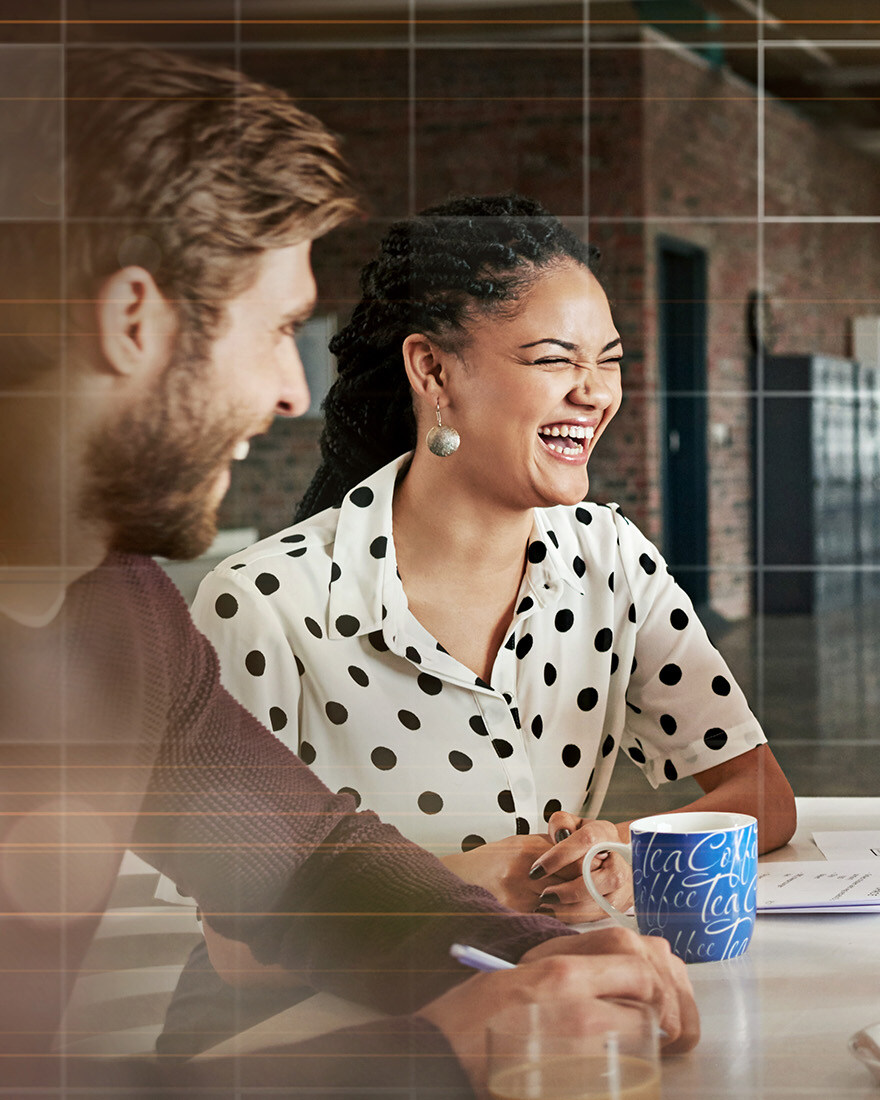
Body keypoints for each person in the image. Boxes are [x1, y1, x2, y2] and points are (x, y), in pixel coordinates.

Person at [0, 48, 696, 1096]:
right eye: (280, 330)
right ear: (132, 319)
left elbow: (299, 862)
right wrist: (438, 1051)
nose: (292, 392)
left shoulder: (116, 599)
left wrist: (532, 953)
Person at [157, 192, 798, 1054]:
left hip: (536, 1010)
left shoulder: (611, 556)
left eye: (608, 360)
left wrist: (623, 847)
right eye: (552, 359)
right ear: (433, 371)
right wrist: (466, 886)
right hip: (308, 1045)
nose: (595, 392)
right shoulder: (264, 605)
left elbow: (761, 795)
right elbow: (236, 951)